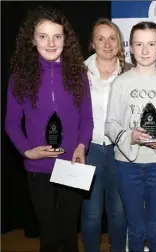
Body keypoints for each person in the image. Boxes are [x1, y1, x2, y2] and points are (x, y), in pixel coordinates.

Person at [4, 5, 93, 252]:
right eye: (43, 36)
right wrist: (27, 151)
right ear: (32, 40)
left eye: (57, 36)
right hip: (37, 168)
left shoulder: (78, 74)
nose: (51, 43)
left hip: (72, 165)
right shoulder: (20, 76)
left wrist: (81, 146)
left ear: (66, 39)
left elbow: (86, 118)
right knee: (49, 233)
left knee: (68, 231)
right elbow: (11, 123)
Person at [104, 21, 156, 252]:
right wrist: (130, 136)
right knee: (136, 227)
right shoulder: (121, 83)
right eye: (139, 44)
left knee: (155, 227)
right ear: (131, 48)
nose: (145, 50)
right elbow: (111, 124)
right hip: (127, 165)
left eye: (151, 44)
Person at [81, 18, 132, 252]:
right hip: (88, 150)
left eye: (112, 38)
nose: (107, 44)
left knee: (119, 213)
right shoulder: (79, 72)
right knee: (91, 214)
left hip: (120, 151)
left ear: (120, 42)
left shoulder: (131, 73)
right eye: (100, 39)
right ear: (92, 43)